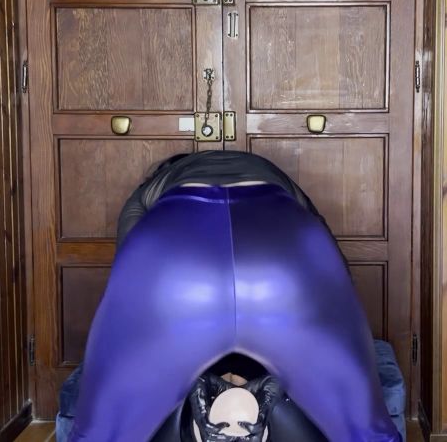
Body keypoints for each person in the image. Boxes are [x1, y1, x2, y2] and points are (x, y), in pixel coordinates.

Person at [67, 151, 403, 442]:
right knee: (367, 432)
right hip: (284, 259)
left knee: (99, 434)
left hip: (177, 261)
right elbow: (337, 273)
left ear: (166, 173)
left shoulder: (148, 192)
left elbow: (131, 289)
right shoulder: (279, 178)